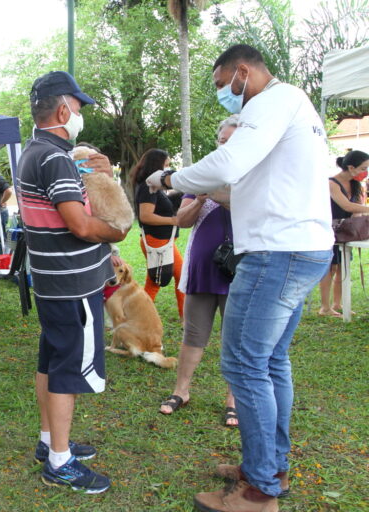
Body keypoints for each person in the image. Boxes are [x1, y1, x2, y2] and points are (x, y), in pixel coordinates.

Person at [146, 44, 333, 511]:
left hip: (277, 250)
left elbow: (226, 164)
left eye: (221, 84)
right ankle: (270, 466)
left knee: (246, 365)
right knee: (270, 362)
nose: (223, 96)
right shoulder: (295, 104)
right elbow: (238, 180)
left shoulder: (269, 103)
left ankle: (257, 491)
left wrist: (169, 179)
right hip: (300, 246)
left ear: (242, 72)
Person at [15, 71, 128, 494]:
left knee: (51, 359)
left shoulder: (33, 151)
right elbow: (81, 225)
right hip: (71, 283)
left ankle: (50, 442)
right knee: (67, 369)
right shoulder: (55, 156)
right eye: (78, 108)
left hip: (50, 279)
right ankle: (60, 461)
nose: (79, 116)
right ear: (63, 110)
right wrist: (116, 232)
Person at [158, 115, 239, 427]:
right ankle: (181, 391)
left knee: (235, 339)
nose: (226, 146)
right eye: (222, 141)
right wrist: (200, 196)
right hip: (203, 267)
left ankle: (233, 400)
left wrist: (213, 190)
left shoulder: (252, 174)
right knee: (193, 332)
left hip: (239, 269)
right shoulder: (206, 175)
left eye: (232, 141)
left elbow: (246, 205)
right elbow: (182, 219)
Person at [131, 148, 185, 318]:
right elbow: (145, 216)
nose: (167, 170)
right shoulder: (148, 187)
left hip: (161, 240)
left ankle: (137, 317)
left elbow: (162, 206)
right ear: (156, 165)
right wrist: (173, 221)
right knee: (180, 277)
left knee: (155, 281)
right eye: (165, 165)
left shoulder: (154, 186)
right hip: (157, 241)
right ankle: (185, 318)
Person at [318, 150, 369, 317]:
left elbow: (357, 209)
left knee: (343, 267)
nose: (365, 172)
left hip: (347, 231)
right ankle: (325, 307)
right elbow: (347, 206)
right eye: (363, 168)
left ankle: (338, 303)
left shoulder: (356, 184)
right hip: (329, 231)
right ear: (351, 167)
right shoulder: (331, 183)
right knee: (330, 268)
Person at [0, 164, 13, 254]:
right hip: (1, 212)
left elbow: (8, 191)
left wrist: (2, 201)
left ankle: (5, 258)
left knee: (1, 238)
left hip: (1, 212)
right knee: (0, 238)